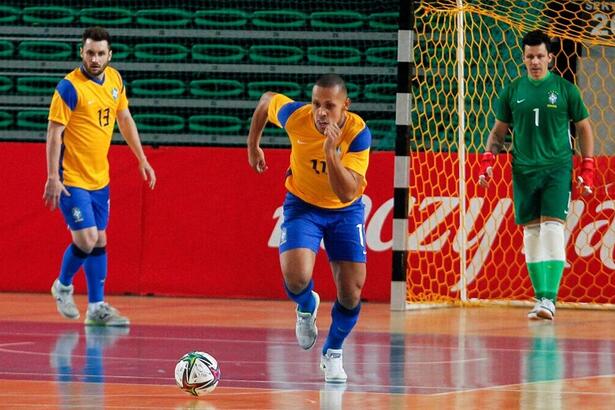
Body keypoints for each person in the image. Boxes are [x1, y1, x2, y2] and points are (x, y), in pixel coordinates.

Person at [247, 74, 371, 383]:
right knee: (297, 277)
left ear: (346, 106)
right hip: (303, 206)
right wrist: (253, 146)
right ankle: (306, 305)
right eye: (317, 104)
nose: (321, 113)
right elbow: (265, 101)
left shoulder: (357, 134)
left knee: (352, 292)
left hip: (344, 211)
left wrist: (331, 153)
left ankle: (333, 352)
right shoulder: (297, 117)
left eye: (330, 105)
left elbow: (346, 192)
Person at [43, 27, 156, 327]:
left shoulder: (115, 80)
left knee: (100, 238)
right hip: (72, 178)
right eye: (90, 52)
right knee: (87, 237)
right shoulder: (69, 87)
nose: (95, 59)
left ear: (110, 55)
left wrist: (142, 159)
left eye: (100, 53)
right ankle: (63, 285)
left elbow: (124, 118)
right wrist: (53, 176)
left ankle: (96, 308)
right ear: (81, 52)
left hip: (99, 179)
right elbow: (55, 133)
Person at [479, 30, 595, 320]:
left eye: (540, 56)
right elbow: (498, 131)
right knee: (531, 233)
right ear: (523, 58)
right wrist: (487, 162)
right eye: (530, 56)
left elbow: (584, 128)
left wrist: (587, 168)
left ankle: (551, 299)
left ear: (550, 58)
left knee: (552, 228)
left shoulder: (566, 89)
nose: (535, 61)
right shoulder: (512, 90)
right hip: (523, 170)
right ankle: (541, 298)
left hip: (557, 168)